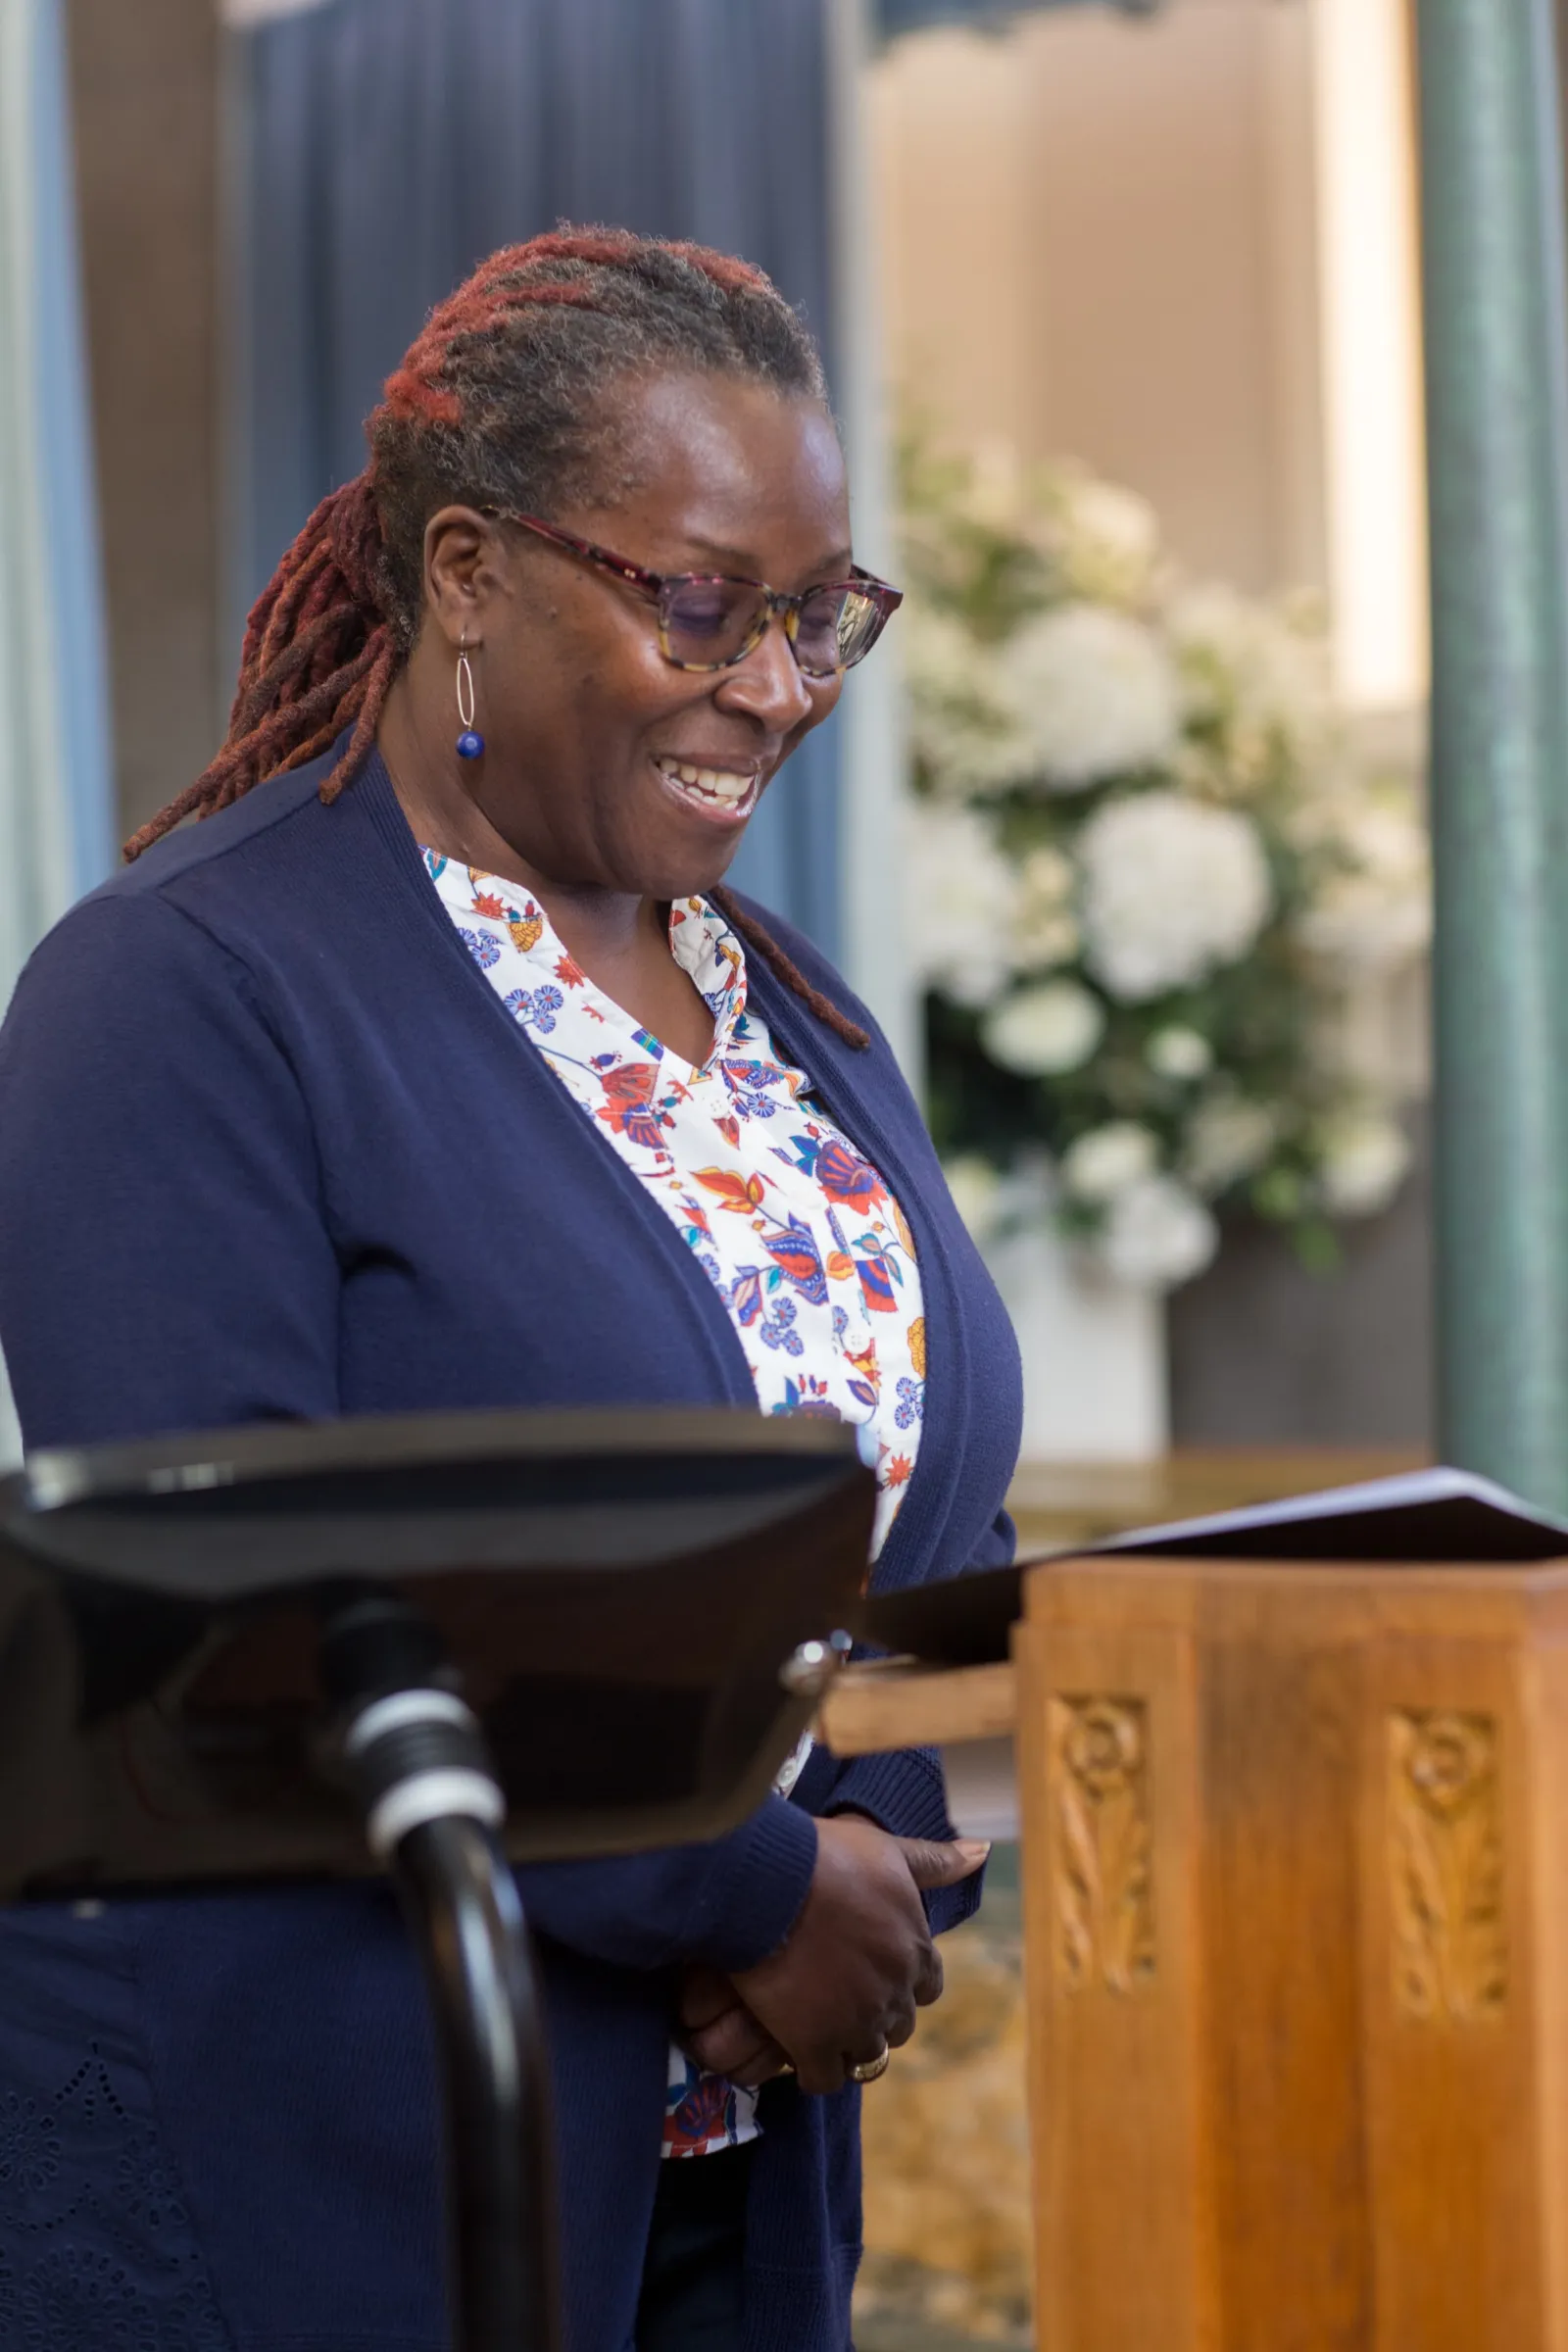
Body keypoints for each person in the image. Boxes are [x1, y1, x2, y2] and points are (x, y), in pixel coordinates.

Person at [0, 228, 1022, 2352]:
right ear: (464, 572)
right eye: (697, 603)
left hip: (733, 2182)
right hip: (321, 2176)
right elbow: (236, 1618)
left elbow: (927, 1523)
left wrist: (887, 1861)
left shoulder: (788, 1016)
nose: (776, 685)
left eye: (816, 613)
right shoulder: (185, 995)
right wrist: (754, 1893)